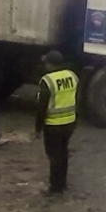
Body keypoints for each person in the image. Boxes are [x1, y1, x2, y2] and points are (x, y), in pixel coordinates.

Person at [34, 50, 79, 195]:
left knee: (54, 156)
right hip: (69, 122)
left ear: (51, 64)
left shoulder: (48, 81)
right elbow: (77, 98)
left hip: (53, 124)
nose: (45, 65)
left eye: (46, 62)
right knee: (63, 153)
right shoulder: (72, 76)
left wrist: (38, 128)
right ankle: (63, 183)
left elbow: (42, 107)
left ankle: (55, 187)